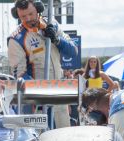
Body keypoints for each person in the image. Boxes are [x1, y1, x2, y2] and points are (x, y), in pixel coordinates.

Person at [8, 0, 78, 128]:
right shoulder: (16, 39)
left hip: (60, 94)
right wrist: (41, 92)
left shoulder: (53, 24)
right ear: (17, 15)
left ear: (38, 9)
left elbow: (73, 51)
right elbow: (20, 75)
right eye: (23, 16)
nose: (28, 18)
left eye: (31, 13)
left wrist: (57, 40)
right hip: (38, 102)